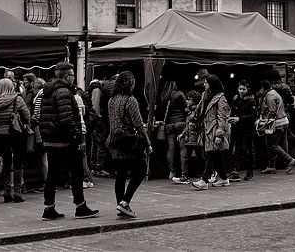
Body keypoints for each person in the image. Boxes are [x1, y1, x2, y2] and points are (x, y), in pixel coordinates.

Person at [38, 61, 98, 221]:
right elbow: (67, 118)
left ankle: (49, 208)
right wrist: (78, 137)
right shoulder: (63, 92)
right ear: (66, 76)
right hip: (65, 140)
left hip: (51, 139)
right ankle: (80, 206)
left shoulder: (48, 91)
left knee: (52, 175)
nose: (74, 78)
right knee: (77, 173)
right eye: (72, 75)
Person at [106, 70, 148, 218]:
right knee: (141, 169)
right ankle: (125, 202)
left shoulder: (111, 100)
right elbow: (138, 124)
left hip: (115, 141)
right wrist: (147, 143)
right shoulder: (130, 100)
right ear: (129, 84)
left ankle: (120, 205)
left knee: (121, 175)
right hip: (129, 142)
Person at [0, 77, 30, 203]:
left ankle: (7, 191)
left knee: (6, 162)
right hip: (16, 132)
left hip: (1, 134)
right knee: (18, 161)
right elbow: (27, 115)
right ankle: (17, 191)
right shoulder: (17, 99)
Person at [257, 77, 295, 176]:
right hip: (284, 121)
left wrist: (264, 122)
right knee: (283, 143)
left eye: (259, 89)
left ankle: (290, 160)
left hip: (277, 123)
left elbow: (272, 111)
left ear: (263, 88)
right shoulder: (274, 93)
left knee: (272, 144)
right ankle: (272, 166)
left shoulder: (270, 95)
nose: (258, 92)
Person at [155, 80, 187, 182]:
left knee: (171, 149)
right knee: (182, 148)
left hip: (169, 125)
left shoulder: (164, 96)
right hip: (180, 123)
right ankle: (183, 172)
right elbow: (186, 107)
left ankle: (171, 171)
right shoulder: (179, 94)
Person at [229, 80, 257, 182]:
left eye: (243, 89)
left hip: (248, 130)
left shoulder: (251, 101)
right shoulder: (236, 99)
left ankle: (249, 172)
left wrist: (239, 119)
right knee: (236, 150)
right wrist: (231, 118)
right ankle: (234, 171)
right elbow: (232, 111)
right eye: (240, 89)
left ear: (247, 89)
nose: (241, 91)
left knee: (248, 151)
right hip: (236, 129)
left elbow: (253, 115)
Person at [179, 90, 204, 184]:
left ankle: (208, 173)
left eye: (189, 99)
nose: (187, 101)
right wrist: (183, 133)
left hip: (195, 137)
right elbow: (188, 124)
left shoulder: (197, 111)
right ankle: (184, 176)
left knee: (200, 157)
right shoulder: (190, 112)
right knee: (186, 157)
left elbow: (197, 124)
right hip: (189, 137)